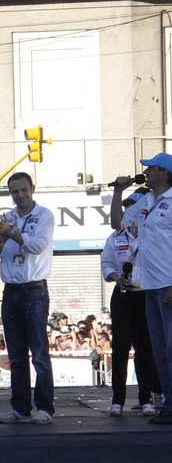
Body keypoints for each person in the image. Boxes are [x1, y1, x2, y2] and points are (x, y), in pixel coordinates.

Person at [0, 171, 55, 424]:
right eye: (15, 191)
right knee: (16, 355)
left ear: (32, 188)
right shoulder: (8, 217)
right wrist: (2, 239)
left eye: (24, 190)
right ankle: (19, 407)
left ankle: (45, 408)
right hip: (11, 292)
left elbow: (38, 246)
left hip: (35, 291)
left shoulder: (44, 215)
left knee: (39, 354)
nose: (20, 195)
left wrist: (13, 234)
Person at [111, 153, 172, 424]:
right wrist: (118, 192)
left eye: (151, 169)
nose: (145, 172)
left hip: (168, 285)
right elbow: (116, 223)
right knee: (159, 350)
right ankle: (168, 406)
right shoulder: (146, 201)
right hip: (150, 286)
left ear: (164, 173)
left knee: (170, 349)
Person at [101, 186, 157, 417]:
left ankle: (147, 399)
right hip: (122, 296)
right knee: (121, 346)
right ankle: (117, 401)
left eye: (134, 207)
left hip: (145, 294)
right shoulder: (115, 237)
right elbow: (107, 265)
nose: (130, 212)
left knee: (145, 348)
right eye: (127, 207)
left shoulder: (153, 234)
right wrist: (116, 277)